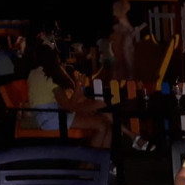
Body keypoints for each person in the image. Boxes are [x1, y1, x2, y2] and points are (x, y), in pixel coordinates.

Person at [26, 36, 154, 154]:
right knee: (102, 123)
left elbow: (69, 100)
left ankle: (110, 157)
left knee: (102, 112)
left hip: (51, 114)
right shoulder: (49, 76)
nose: (60, 59)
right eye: (57, 56)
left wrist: (78, 89)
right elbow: (68, 106)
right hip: (52, 117)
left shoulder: (35, 73)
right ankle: (92, 163)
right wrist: (78, 85)